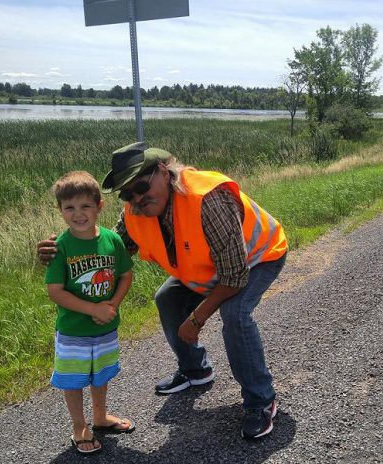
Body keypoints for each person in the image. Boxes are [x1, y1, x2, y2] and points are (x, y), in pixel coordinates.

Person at [38, 143, 288, 439]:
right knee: (166, 298)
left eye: (142, 186)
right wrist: (61, 253)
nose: (138, 198)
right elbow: (111, 252)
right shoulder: (134, 212)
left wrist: (197, 318)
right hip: (205, 270)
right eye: (128, 194)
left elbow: (234, 277)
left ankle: (261, 400)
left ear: (163, 171)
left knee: (234, 314)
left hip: (257, 258)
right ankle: (196, 370)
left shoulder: (208, 200)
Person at [45, 171, 135, 454]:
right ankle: (78, 426)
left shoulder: (112, 240)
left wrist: (112, 305)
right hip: (74, 331)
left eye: (85, 206)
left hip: (105, 326)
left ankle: (99, 417)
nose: (78, 214)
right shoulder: (60, 247)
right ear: (61, 211)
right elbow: (55, 291)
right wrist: (92, 308)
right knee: (73, 380)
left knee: (101, 374)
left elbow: (126, 274)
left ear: (99, 206)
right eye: (69, 208)